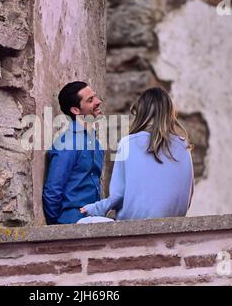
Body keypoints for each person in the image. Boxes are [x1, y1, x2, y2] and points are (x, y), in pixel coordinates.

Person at [80, 87, 194, 221]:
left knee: (82, 222)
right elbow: (188, 194)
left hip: (133, 225)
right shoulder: (184, 145)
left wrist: (95, 208)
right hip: (173, 223)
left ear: (141, 113)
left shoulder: (128, 143)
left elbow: (118, 196)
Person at [42, 81, 108, 224]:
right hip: (72, 222)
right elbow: (52, 191)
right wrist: (59, 229)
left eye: (95, 97)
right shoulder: (67, 143)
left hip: (93, 220)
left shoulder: (96, 144)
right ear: (75, 110)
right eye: (90, 100)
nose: (98, 102)